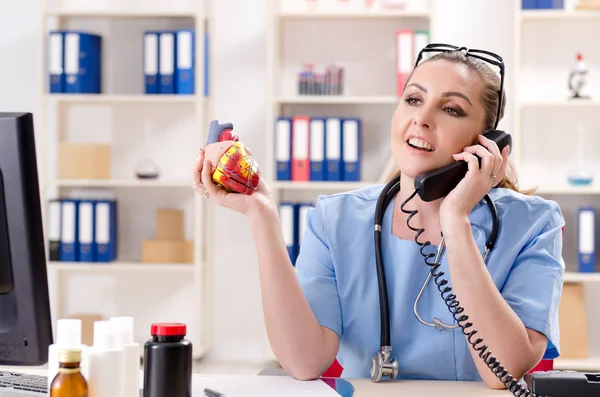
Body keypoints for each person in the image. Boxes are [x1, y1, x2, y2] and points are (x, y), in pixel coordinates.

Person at [193, 46, 565, 390]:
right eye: (413, 99)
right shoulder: (336, 218)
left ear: (488, 144)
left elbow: (503, 371)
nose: (421, 118)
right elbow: (305, 362)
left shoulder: (534, 224)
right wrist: (262, 216)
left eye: (451, 109)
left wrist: (456, 219)